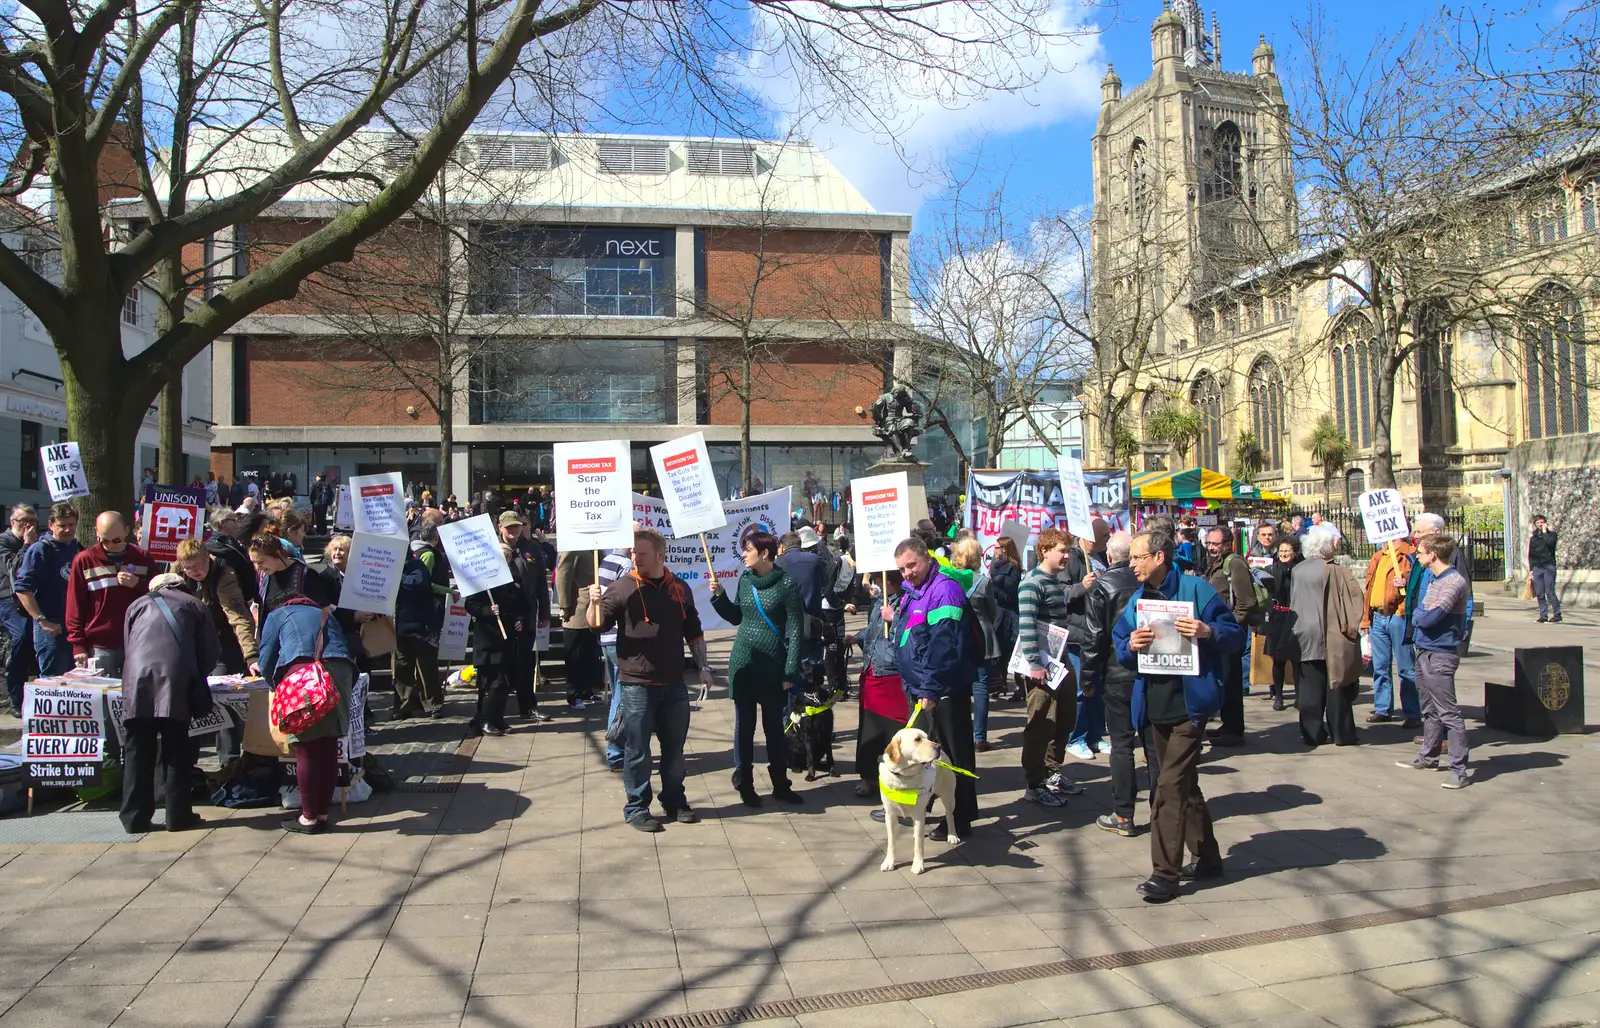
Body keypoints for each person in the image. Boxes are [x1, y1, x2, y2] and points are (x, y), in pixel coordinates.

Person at [1113, 528, 1242, 902]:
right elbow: (1120, 644)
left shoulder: (1196, 589)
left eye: (1138, 557)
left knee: (1167, 788)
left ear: (1159, 557)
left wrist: (1207, 630)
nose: (1132, 563)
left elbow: (1233, 634)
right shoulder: (1138, 600)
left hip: (1190, 704)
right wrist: (1130, 645)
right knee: (1186, 786)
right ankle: (1208, 859)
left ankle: (1164, 873)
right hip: (1154, 705)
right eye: (1132, 557)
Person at [587, 528, 712, 832]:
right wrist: (592, 602)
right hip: (636, 685)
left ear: (659, 555)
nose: (634, 558)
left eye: (640, 554)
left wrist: (703, 666)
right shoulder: (620, 587)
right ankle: (636, 807)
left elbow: (693, 630)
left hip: (674, 684)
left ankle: (674, 800)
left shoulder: (679, 589)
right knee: (638, 751)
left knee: (675, 750)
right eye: (632, 553)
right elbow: (596, 624)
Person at [710, 530, 806, 807]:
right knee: (744, 726)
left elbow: (796, 630)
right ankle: (746, 785)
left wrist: (791, 671)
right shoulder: (744, 579)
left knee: (774, 728)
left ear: (764, 553)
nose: (743, 554)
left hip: (774, 665)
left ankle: (780, 783)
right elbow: (736, 616)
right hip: (744, 661)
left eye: (747, 549)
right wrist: (719, 598)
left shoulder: (786, 583)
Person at [891, 536, 979, 839]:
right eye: (901, 569)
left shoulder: (944, 590)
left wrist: (929, 689)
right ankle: (921, 806)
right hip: (921, 687)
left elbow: (944, 645)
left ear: (927, 557)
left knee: (953, 755)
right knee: (924, 755)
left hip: (943, 689)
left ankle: (962, 817)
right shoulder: (914, 590)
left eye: (911, 565)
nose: (907, 573)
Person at [118, 573, 219, 834]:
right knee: (177, 751)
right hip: (176, 684)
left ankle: (134, 818)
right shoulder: (195, 605)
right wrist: (197, 676)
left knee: (137, 751)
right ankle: (178, 815)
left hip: (137, 684)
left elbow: (129, 645)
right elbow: (209, 652)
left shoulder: (137, 604)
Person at [258, 595, 356, 833]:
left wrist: (276, 686)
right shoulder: (326, 614)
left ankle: (308, 817)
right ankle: (322, 813)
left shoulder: (277, 615)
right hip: (340, 673)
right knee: (329, 746)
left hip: (304, 674)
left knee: (307, 747)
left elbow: (266, 658)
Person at [1083, 531, 1148, 837]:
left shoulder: (1103, 586)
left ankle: (1124, 814)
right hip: (1145, 672)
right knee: (1151, 745)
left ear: (1110, 556)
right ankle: (1160, 808)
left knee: (1122, 745)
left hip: (1119, 674)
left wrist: (1087, 678)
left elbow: (1094, 638)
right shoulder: (1148, 581)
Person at [1398, 533, 1472, 789]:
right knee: (1429, 709)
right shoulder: (1435, 582)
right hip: (1424, 650)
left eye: (1420, 552)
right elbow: (1420, 611)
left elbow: (1427, 617)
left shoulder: (1452, 582)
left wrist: (1420, 614)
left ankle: (1459, 769)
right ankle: (1428, 757)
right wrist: (1420, 614)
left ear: (1433, 555)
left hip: (1440, 654)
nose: (1417, 555)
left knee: (1448, 713)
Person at [1016, 527, 1078, 807]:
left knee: (1065, 718)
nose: (1067, 556)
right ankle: (1035, 782)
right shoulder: (1032, 583)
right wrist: (1035, 663)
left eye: (1068, 550)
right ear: (1044, 551)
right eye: (1062, 551)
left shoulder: (1055, 581)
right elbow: (1027, 624)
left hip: (1060, 660)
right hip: (1041, 664)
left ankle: (1053, 771)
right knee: (1041, 722)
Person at [1289, 526, 1364, 747]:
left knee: (1310, 685)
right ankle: (1341, 733)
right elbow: (1354, 600)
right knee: (1337, 685)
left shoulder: (1297, 570)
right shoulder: (1336, 570)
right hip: (1331, 632)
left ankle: (1312, 732)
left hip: (1302, 631)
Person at [845, 571, 908, 800]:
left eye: (879, 581)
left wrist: (894, 618)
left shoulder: (905, 601)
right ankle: (867, 775)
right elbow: (873, 629)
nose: (875, 585)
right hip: (871, 669)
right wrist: (857, 637)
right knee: (868, 727)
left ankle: (893, 777)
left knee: (891, 729)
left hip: (890, 672)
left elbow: (907, 632)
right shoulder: (878, 602)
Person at [463, 546, 530, 737]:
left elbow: (521, 604)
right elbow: (471, 604)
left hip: (506, 639)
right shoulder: (481, 580)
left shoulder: (509, 580)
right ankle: (484, 720)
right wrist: (487, 611)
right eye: (503, 556)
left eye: (508, 557)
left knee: (505, 682)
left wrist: (520, 620)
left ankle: (497, 718)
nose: (506, 559)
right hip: (488, 640)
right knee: (494, 682)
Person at [15, 503, 86, 676]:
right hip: (51, 627)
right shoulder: (40, 550)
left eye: (71, 525)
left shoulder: (79, 549)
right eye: (62, 525)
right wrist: (42, 621)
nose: (68, 530)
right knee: (52, 681)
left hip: (75, 628)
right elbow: (23, 589)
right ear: (51, 525)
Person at [1202, 525, 1255, 747]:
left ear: (1227, 544)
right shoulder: (1215, 563)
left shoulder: (1234, 563)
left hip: (1229, 631)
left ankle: (1234, 729)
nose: (1212, 548)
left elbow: (1247, 601)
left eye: (1216, 544)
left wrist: (1231, 625)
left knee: (1231, 679)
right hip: (1217, 630)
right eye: (1210, 544)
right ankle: (1228, 724)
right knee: (1224, 678)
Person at [1063, 519, 1110, 760]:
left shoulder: (1102, 557)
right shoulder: (1071, 558)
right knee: (1081, 689)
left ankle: (1095, 734)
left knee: (1097, 687)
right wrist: (1081, 586)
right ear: (1088, 537)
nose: (1107, 541)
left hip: (1098, 633)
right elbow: (1060, 593)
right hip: (1078, 635)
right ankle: (1075, 737)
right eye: (1103, 536)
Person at [1362, 529, 1419, 728]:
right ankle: (1382, 708)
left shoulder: (1410, 555)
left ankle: (1412, 712)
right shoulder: (1379, 556)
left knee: (1406, 668)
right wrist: (1366, 619)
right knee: (1380, 667)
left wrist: (1402, 608)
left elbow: (1417, 587)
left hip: (1397, 617)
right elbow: (1369, 589)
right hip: (1377, 617)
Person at [173, 538, 256, 674]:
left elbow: (238, 617)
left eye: (197, 566)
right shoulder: (177, 572)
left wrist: (251, 656)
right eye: (188, 567)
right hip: (192, 641)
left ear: (207, 557)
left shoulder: (224, 575)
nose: (194, 571)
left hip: (223, 640)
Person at [948, 538, 1000, 751]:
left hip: (957, 638)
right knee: (980, 686)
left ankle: (959, 734)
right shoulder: (983, 582)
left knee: (958, 687)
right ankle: (980, 737)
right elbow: (993, 612)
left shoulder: (950, 580)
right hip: (982, 639)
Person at [501, 511, 551, 718]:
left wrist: (545, 613)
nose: (514, 530)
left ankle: (528, 707)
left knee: (525, 663)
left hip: (527, 615)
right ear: (500, 527)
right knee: (500, 667)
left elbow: (540, 582)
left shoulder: (531, 548)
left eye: (518, 526)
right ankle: (493, 712)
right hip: (500, 619)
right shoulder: (490, 549)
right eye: (509, 527)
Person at [393, 544, 445, 719]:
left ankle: (432, 705)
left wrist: (396, 576)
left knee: (426, 666)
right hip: (398, 626)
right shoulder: (388, 566)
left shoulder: (416, 565)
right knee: (402, 667)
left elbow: (418, 583)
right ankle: (404, 705)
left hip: (421, 625)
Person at [249, 534, 337, 633]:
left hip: (298, 636)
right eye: (254, 562)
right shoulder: (262, 576)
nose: (257, 567)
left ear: (278, 554)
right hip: (269, 636)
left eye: (261, 562)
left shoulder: (305, 575)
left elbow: (324, 610)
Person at [597, 544, 635, 768]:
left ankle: (616, 749)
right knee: (621, 698)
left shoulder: (607, 560)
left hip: (607, 638)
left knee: (617, 695)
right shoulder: (625, 564)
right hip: (618, 638)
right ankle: (616, 751)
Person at [0, 505, 40, 711]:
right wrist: (26, 545)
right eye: (24, 521)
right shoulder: (4, 542)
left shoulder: (39, 541)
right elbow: (13, 572)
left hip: (35, 597)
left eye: (32, 521)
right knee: (22, 636)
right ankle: (17, 698)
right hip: (9, 599)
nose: (28, 525)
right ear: (12, 522)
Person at [555, 546, 603, 710]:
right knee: (575, 655)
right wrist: (565, 605)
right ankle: (573, 695)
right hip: (577, 609)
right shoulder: (573, 546)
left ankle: (586, 690)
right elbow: (563, 575)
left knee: (589, 654)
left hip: (593, 606)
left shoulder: (593, 545)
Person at [1265, 535, 1303, 711]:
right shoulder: (1273, 569)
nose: (1284, 554)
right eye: (1281, 551)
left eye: (1287, 551)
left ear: (1294, 552)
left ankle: (1299, 696)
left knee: (1297, 660)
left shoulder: (1300, 569)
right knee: (1278, 660)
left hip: (1295, 616)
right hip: (1278, 618)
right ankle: (1278, 697)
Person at [989, 535, 1023, 703]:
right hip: (998, 613)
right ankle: (1000, 683)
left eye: (997, 547)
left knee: (1011, 650)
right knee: (999, 651)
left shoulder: (1012, 569)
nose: (994, 551)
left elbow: (1011, 596)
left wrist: (993, 588)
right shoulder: (994, 566)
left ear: (1004, 549)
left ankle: (1020, 687)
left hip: (1010, 615)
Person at [1528, 514, 1559, 623]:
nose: (1540, 524)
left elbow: (1550, 544)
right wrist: (1531, 569)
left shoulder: (1552, 535)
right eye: (1538, 523)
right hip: (1537, 567)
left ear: (1545, 523)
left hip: (1548, 566)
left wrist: (1545, 532)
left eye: (1542, 522)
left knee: (1549, 591)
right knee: (1540, 593)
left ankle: (1557, 614)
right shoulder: (1533, 538)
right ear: (1535, 525)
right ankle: (1543, 615)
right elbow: (1531, 554)